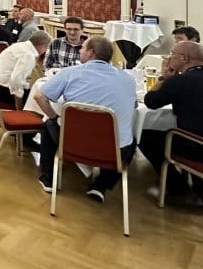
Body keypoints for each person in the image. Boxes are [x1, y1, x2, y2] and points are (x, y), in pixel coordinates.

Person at [33, 35, 136, 202]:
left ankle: (48, 178)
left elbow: (39, 96)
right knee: (131, 139)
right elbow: (132, 108)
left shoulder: (70, 73)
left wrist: (54, 116)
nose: (79, 50)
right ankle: (101, 185)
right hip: (113, 151)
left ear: (90, 53)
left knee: (49, 122)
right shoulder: (128, 79)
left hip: (73, 145)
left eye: (82, 48)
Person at [140, 40, 203, 208]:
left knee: (146, 136)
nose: (169, 58)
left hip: (196, 146)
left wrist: (164, 78)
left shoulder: (181, 82)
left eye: (171, 54)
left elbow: (150, 101)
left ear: (183, 58)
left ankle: (179, 190)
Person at [0, 30, 51, 109]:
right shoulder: (29, 55)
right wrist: (19, 105)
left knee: (31, 90)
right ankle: (33, 119)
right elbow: (15, 80)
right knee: (41, 97)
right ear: (43, 46)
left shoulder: (19, 46)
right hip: (2, 90)